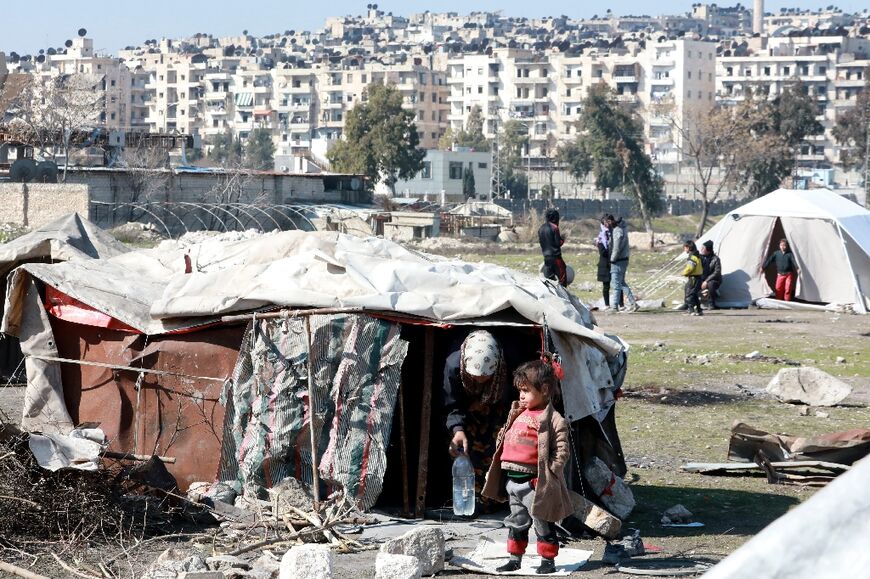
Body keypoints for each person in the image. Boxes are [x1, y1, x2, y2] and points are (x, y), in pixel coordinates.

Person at [482, 357, 573, 575]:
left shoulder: (553, 419)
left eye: (526, 390)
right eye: (520, 390)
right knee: (517, 522)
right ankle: (515, 558)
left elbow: (562, 449)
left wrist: (550, 472)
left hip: (534, 483)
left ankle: (548, 560)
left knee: (542, 522)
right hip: (512, 481)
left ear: (544, 390)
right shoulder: (518, 412)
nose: (521, 395)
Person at [444, 330, 510, 499]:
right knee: (462, 451)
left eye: (486, 376)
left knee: (496, 450)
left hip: (496, 410)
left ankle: (492, 500)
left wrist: (483, 403)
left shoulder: (507, 364)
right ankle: (467, 499)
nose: (480, 380)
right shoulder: (454, 366)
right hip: (464, 411)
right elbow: (452, 402)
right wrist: (457, 429)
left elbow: (513, 396)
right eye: (474, 375)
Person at [606, 215, 638, 312]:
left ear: (611, 221)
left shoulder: (617, 231)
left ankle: (614, 307)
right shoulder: (622, 229)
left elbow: (616, 248)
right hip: (623, 260)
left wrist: (612, 259)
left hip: (618, 261)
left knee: (615, 284)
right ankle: (633, 303)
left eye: (607, 222)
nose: (607, 224)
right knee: (622, 283)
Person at [538, 208, 567, 286]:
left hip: (546, 258)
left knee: (549, 281)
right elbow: (558, 243)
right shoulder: (554, 227)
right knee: (562, 280)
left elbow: (541, 242)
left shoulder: (541, 228)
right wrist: (563, 239)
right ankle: (563, 297)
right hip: (556, 257)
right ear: (555, 218)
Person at [681, 241, 704, 316]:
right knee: (694, 294)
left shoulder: (692, 257)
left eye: (685, 248)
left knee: (689, 294)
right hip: (698, 278)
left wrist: (684, 273)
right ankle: (699, 310)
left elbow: (690, 268)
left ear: (688, 248)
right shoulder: (697, 255)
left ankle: (691, 310)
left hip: (693, 278)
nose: (684, 249)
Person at [699, 240, 722, 309]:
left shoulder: (715, 259)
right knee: (690, 284)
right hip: (701, 278)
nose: (701, 249)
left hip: (713, 280)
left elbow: (717, 272)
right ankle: (689, 302)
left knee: (711, 284)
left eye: (703, 248)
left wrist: (706, 281)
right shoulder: (699, 258)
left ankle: (711, 303)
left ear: (708, 250)